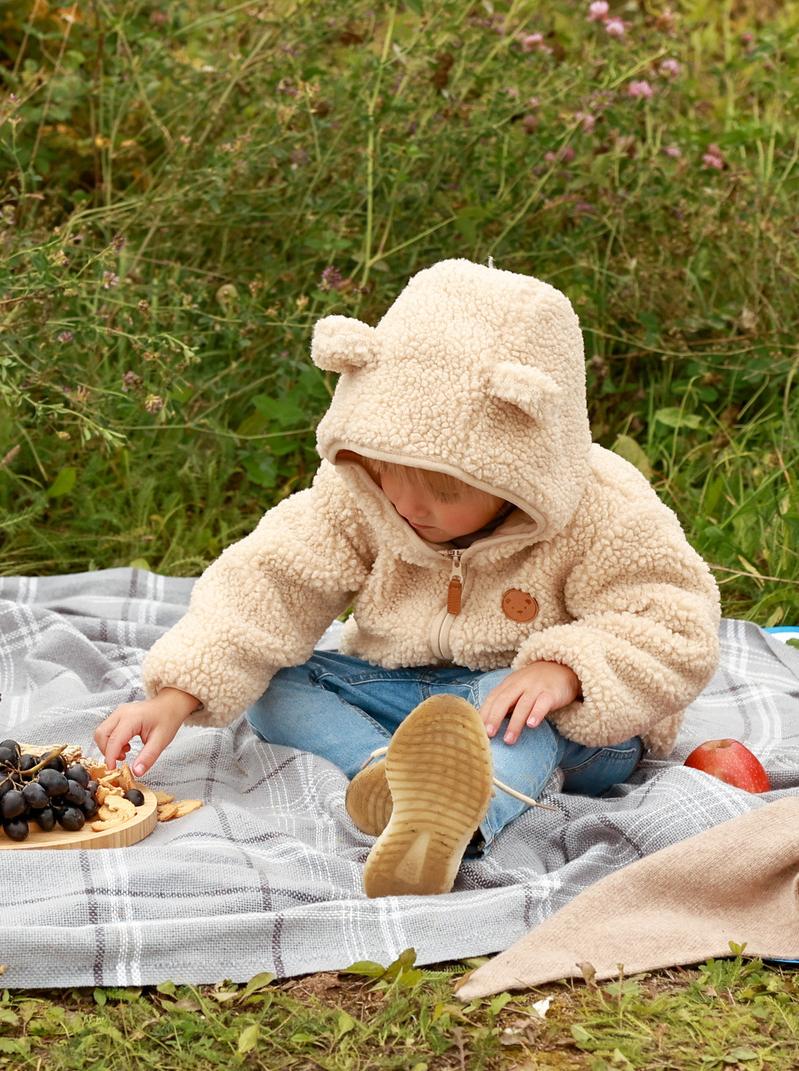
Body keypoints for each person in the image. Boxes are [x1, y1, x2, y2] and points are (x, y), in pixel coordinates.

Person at [92, 258, 722, 897]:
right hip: (409, 693)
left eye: (445, 492)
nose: (410, 507)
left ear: (523, 465)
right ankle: (394, 784)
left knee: (515, 712)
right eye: (391, 472)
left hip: (568, 724)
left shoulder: (605, 509)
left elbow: (674, 624)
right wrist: (177, 693)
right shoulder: (363, 495)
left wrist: (567, 671)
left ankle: (462, 818)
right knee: (276, 683)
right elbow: (269, 581)